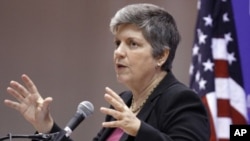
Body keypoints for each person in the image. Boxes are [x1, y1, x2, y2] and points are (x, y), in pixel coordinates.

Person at [4, 3, 210, 141]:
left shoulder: (180, 99)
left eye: (133, 44)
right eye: (117, 43)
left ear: (161, 56)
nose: (119, 52)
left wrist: (139, 129)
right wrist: (47, 126)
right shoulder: (124, 101)